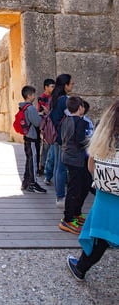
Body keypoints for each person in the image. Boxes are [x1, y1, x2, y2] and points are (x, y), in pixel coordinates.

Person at [66, 100, 119, 281]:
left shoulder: (103, 142)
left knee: (99, 238)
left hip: (106, 198)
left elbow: (91, 168)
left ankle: (80, 268)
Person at [59, 96, 90, 234]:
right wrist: (92, 142)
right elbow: (80, 141)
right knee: (74, 189)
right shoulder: (81, 123)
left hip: (68, 156)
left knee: (82, 184)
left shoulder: (66, 120)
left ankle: (75, 213)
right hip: (76, 159)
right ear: (80, 108)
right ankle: (68, 219)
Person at [50, 74, 74, 208]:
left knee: (57, 166)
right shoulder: (64, 99)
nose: (72, 86)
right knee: (61, 168)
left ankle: (58, 195)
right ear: (65, 85)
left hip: (56, 134)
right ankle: (60, 197)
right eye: (71, 84)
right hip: (63, 136)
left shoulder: (55, 98)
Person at [19, 86, 47, 193]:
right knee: (34, 161)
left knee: (29, 160)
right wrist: (42, 116)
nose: (34, 97)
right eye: (33, 94)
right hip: (32, 137)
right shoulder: (30, 108)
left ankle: (26, 182)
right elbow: (37, 122)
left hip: (27, 137)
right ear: (29, 96)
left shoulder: (23, 107)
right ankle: (33, 183)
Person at [37, 78, 55, 182]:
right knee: (45, 148)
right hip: (46, 125)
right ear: (46, 87)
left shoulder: (53, 97)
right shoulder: (42, 98)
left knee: (48, 148)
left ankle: (45, 168)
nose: (53, 88)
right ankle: (42, 167)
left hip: (50, 125)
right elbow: (41, 111)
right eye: (52, 86)